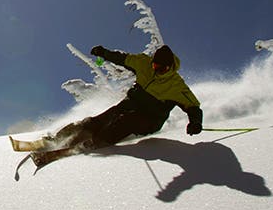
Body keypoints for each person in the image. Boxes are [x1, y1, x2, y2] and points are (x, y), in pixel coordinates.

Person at [30, 44, 203, 160]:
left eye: (162, 68)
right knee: (96, 120)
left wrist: (195, 122)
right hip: (131, 103)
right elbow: (122, 58)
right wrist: (103, 53)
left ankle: (94, 143)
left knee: (126, 121)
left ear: (170, 67)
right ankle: (57, 139)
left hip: (151, 119)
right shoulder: (143, 63)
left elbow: (193, 106)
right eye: (155, 66)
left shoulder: (176, 85)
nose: (157, 71)